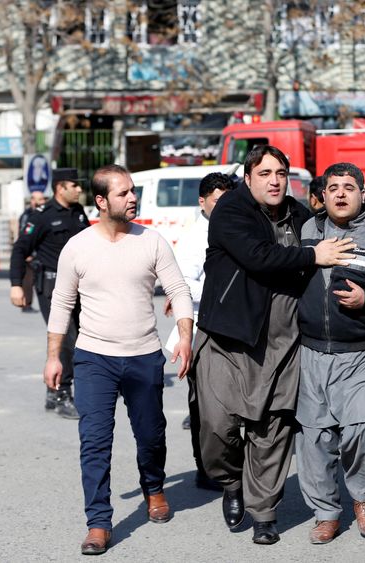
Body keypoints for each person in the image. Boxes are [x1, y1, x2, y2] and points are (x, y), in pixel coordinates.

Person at [194, 145, 356, 545]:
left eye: (280, 173)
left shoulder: (300, 215)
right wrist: (311, 255)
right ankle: (231, 481)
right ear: (247, 178)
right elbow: (257, 256)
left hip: (283, 340)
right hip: (228, 337)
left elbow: (336, 233)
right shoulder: (230, 211)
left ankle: (264, 511)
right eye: (265, 173)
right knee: (217, 427)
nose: (274, 180)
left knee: (273, 429)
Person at [44, 164, 194, 556]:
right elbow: (61, 303)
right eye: (124, 193)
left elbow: (178, 289)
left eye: (133, 191)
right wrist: (54, 357)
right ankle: (98, 522)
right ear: (100, 201)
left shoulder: (152, 241)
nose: (133, 198)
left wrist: (185, 336)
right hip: (94, 358)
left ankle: (154, 487)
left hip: (143, 355)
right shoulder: (77, 246)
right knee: (94, 442)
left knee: (151, 434)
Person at [295, 162, 365, 544]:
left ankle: (362, 496)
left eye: (349, 187)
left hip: (363, 353)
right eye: (333, 188)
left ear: (363, 193)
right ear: (322, 195)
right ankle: (326, 512)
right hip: (311, 353)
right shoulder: (306, 232)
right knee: (314, 438)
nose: (341, 194)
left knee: (362, 429)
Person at [163, 172, 234, 491]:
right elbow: (180, 282)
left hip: (236, 327)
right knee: (202, 402)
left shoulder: (238, 227)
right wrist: (220, 291)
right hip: (200, 326)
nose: (223, 207)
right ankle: (205, 468)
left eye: (228, 200)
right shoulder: (196, 236)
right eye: (217, 201)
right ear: (202, 203)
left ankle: (231, 463)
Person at [9, 168, 87, 418]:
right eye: (75, 185)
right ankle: (63, 393)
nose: (79, 190)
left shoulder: (78, 212)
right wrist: (16, 284)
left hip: (79, 286)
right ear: (60, 188)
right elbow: (20, 249)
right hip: (52, 287)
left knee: (82, 337)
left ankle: (52, 391)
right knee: (65, 339)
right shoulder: (41, 216)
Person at [16, 191, 48, 313]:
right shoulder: (27, 215)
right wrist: (27, 253)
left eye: (41, 199)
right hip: (30, 254)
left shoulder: (45, 213)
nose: (40, 202)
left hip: (42, 253)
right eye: (37, 199)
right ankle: (26, 305)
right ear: (32, 201)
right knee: (28, 281)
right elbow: (24, 236)